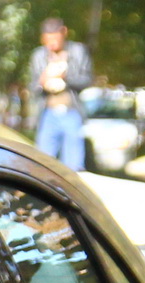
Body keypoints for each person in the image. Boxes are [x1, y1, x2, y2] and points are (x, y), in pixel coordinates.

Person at [28, 17, 93, 169]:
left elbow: (87, 80)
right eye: (48, 40)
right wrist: (42, 82)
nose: (52, 43)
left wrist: (66, 78)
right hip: (48, 113)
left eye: (55, 39)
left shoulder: (77, 51)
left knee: (73, 164)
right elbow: (32, 87)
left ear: (64, 33)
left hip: (71, 111)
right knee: (43, 163)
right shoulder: (38, 56)